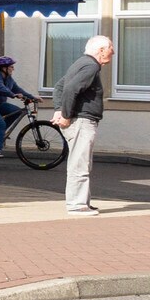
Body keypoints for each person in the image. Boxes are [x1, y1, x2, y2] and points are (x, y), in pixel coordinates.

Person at [51, 35, 115, 215]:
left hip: (79, 120)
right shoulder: (91, 66)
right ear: (101, 50)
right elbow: (70, 89)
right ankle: (77, 205)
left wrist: (58, 110)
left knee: (82, 162)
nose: (113, 52)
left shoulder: (81, 63)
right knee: (80, 163)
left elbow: (59, 87)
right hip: (81, 121)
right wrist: (65, 114)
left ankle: (83, 202)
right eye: (111, 48)